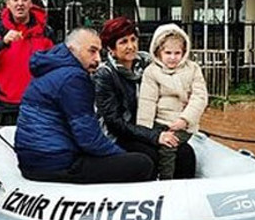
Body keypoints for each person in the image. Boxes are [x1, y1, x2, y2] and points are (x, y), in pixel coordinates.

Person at [15, 28, 154, 184]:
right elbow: (89, 138)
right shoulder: (74, 78)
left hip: (36, 158)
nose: (97, 59)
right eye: (92, 51)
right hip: (55, 162)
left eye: (99, 52)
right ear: (72, 49)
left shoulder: (53, 68)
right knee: (142, 163)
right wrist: (120, 156)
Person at [93, 17, 197, 179]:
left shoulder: (149, 63)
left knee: (186, 153)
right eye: (123, 42)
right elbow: (114, 122)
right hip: (123, 134)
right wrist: (155, 137)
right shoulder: (105, 75)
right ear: (111, 48)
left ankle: (184, 193)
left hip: (153, 126)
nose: (130, 46)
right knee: (150, 157)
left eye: (133, 39)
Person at [137, 24, 208, 180]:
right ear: (158, 52)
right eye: (168, 53)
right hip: (159, 122)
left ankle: (166, 180)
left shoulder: (193, 69)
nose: (173, 57)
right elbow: (147, 101)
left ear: (184, 52)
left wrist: (185, 120)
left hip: (183, 123)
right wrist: (145, 131)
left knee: (168, 146)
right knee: (151, 148)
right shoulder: (151, 72)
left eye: (177, 53)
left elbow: (199, 97)